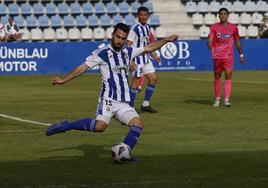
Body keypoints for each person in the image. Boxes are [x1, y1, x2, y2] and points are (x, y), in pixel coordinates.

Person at [45, 23, 178, 161]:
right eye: (118, 36)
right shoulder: (103, 53)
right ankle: (67, 125)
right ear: (112, 34)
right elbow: (83, 67)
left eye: (123, 38)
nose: (119, 40)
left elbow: (149, 47)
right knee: (100, 127)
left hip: (123, 103)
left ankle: (125, 152)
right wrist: (63, 80)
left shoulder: (128, 51)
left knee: (138, 124)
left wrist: (166, 40)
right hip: (108, 99)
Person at [208, 8, 245, 107]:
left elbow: (237, 41)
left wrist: (241, 54)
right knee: (217, 77)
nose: (223, 16)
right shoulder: (214, 27)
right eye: (221, 14)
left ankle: (227, 100)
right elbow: (211, 38)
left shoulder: (233, 28)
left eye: (225, 14)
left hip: (228, 57)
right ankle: (217, 99)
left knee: (228, 76)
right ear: (218, 15)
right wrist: (210, 44)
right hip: (217, 56)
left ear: (228, 15)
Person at [127, 6, 161, 113]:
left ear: (148, 16)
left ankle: (145, 104)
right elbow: (128, 44)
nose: (143, 17)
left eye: (145, 15)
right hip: (137, 59)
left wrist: (154, 54)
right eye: (141, 15)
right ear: (138, 16)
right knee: (136, 82)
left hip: (146, 58)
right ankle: (130, 107)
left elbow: (147, 43)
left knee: (153, 79)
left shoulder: (147, 26)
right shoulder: (134, 28)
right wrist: (130, 60)